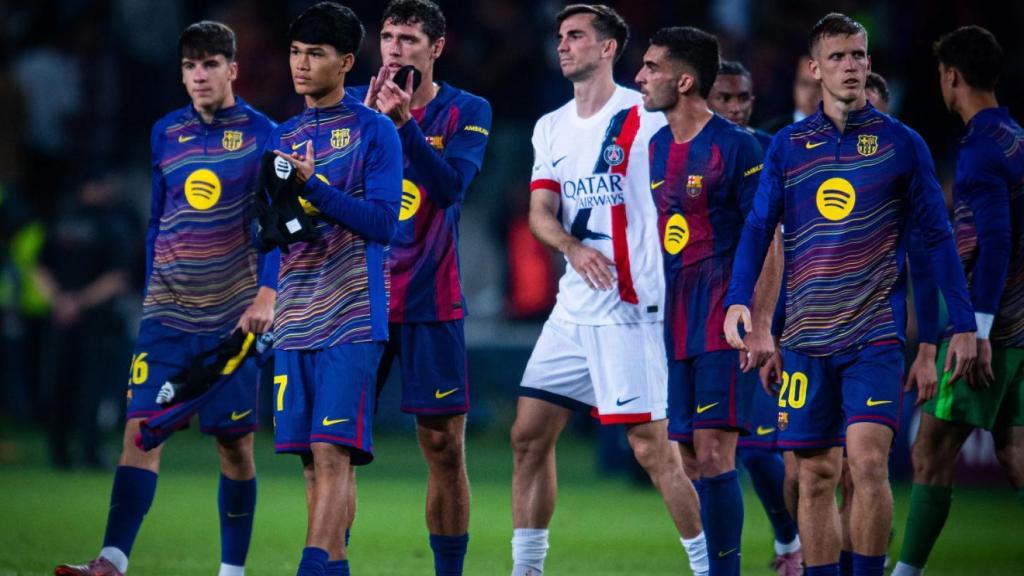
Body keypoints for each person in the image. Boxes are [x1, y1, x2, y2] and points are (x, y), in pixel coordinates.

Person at [723, 13, 978, 576]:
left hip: (874, 338)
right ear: (815, 69)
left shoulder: (900, 145)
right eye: (838, 56)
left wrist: (960, 325)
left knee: (866, 463)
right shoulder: (789, 147)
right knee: (812, 476)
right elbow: (760, 230)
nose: (852, 66)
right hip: (808, 340)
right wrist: (744, 303)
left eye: (859, 55)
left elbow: (937, 240)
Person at [55, 21, 277, 576]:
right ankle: (112, 559)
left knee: (234, 446)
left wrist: (267, 294)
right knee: (140, 429)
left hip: (232, 318)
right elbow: (159, 221)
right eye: (189, 66)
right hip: (167, 315)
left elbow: (276, 226)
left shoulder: (264, 133)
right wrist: (154, 283)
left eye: (209, 64)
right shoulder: (165, 133)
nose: (198, 76)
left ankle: (232, 570)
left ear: (232, 68)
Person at [510, 5, 707, 576]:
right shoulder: (550, 127)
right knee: (528, 435)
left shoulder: (645, 116)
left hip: (631, 310)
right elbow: (541, 212)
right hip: (572, 310)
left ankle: (708, 566)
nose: (564, 46)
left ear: (607, 49)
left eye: (576, 36)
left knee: (653, 451)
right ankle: (527, 569)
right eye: (560, 37)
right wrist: (573, 249)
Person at [348, 2, 491, 573]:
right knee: (334, 452)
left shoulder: (466, 110)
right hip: (358, 300)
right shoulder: (352, 105)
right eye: (386, 36)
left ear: (437, 47)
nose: (394, 48)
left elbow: (452, 187)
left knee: (443, 448)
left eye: (408, 38)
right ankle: (330, 563)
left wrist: (405, 126)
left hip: (431, 298)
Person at [638, 28, 787, 576]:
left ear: (683, 80)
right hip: (676, 318)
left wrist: (762, 320)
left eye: (651, 68)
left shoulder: (738, 146)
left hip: (727, 314)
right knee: (688, 457)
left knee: (718, 452)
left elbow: (769, 234)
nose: (641, 77)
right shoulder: (656, 147)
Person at [268, 3, 402, 575]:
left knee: (332, 451)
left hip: (352, 310)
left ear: (345, 62)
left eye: (315, 54)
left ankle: (308, 567)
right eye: (296, 53)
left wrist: (312, 186)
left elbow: (382, 223)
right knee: (308, 459)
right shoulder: (283, 134)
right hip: (295, 313)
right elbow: (272, 230)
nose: (301, 64)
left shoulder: (376, 131)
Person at [893, 25, 1024, 576]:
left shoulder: (976, 151)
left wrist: (977, 329)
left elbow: (995, 245)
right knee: (1015, 452)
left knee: (930, 451)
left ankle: (905, 573)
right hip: (1018, 326)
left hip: (990, 329)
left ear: (951, 76)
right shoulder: (1015, 136)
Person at [707, 59, 803, 574]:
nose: (736, 107)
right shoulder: (685, 154)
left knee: (773, 448)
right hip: (710, 319)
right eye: (724, 97)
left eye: (742, 97)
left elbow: (786, 245)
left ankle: (800, 546)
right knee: (720, 450)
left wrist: (776, 325)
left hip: (778, 319)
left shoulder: (770, 153)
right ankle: (794, 544)